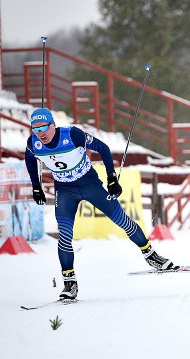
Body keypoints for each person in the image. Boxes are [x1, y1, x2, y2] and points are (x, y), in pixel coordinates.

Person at [24, 108, 179, 301]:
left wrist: (112, 179)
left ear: (53, 125)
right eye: (35, 128)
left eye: (44, 127)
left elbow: (103, 148)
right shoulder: (34, 143)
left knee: (122, 220)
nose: (41, 132)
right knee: (64, 234)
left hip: (90, 185)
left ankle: (151, 255)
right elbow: (30, 160)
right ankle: (69, 283)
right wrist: (36, 186)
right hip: (65, 191)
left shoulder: (73, 135)